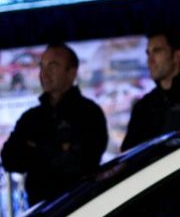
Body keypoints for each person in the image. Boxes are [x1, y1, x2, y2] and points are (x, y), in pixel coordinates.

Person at [1, 43, 108, 204]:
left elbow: (81, 162)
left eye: (53, 66)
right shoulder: (31, 117)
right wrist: (54, 149)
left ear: (71, 72)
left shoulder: (89, 113)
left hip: (82, 208)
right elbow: (9, 159)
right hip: (41, 212)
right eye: (42, 66)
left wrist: (35, 148)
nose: (44, 73)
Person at [121, 29, 180, 151]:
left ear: (177, 56)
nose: (149, 61)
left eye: (157, 51)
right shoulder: (144, 106)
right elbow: (128, 152)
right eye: (148, 53)